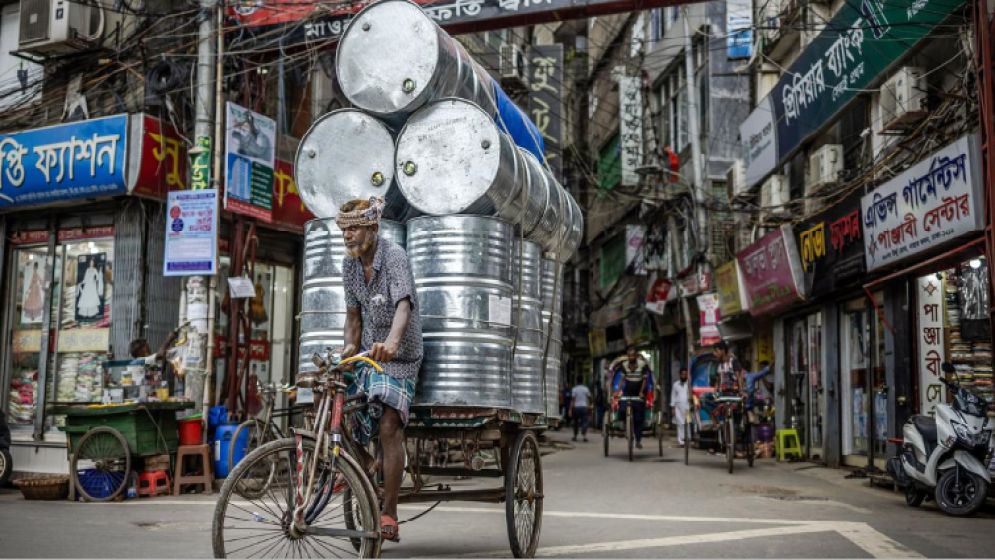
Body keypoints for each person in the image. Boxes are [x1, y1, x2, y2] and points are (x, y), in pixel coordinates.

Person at [339, 197, 423, 543]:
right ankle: (364, 467)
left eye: (354, 228)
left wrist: (391, 343)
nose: (347, 235)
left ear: (373, 228)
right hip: (367, 357)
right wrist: (346, 350)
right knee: (330, 399)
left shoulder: (394, 256)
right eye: (344, 229)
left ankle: (389, 510)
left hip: (400, 358)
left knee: (389, 423)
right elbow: (353, 318)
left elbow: (404, 306)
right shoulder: (349, 267)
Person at [609, 345, 653, 449]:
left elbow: (645, 380)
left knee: (639, 418)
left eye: (632, 356)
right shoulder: (624, 365)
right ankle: (625, 426)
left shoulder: (643, 365)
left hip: (639, 390)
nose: (631, 358)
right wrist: (618, 391)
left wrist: (642, 392)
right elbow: (622, 379)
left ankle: (638, 440)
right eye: (629, 356)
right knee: (622, 408)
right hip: (628, 390)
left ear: (636, 356)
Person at [671, 368, 690, 446]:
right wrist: (673, 407)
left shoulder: (689, 384)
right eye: (682, 374)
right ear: (680, 375)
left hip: (687, 407)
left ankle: (688, 438)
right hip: (678, 407)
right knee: (680, 423)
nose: (684, 376)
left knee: (687, 422)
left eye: (685, 374)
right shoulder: (675, 384)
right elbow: (673, 396)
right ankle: (681, 440)